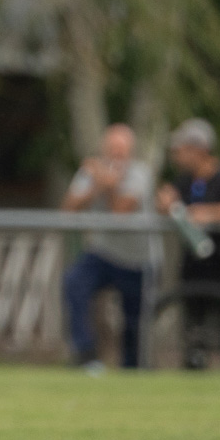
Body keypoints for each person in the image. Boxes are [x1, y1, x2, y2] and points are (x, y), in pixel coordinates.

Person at [59, 124, 155, 371]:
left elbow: (121, 211)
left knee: (133, 321)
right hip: (102, 253)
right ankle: (86, 354)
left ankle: (131, 370)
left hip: (137, 258)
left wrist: (107, 183)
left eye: (121, 149)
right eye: (112, 148)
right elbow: (69, 208)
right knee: (74, 283)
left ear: (130, 151)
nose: (116, 154)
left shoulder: (140, 173)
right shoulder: (93, 171)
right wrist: (98, 184)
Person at [157, 118, 220, 370]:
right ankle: (194, 365)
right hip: (195, 263)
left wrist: (205, 213)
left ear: (199, 149)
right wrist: (165, 202)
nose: (177, 155)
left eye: (182, 149)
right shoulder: (185, 181)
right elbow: (168, 199)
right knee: (194, 321)